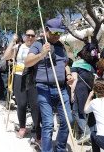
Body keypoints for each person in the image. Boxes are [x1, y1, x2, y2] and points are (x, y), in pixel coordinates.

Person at [25, 18, 73, 152]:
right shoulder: (38, 44)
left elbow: (65, 64)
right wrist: (42, 54)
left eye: (59, 33)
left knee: (68, 120)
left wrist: (68, 75)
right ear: (46, 30)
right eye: (53, 33)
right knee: (48, 124)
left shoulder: (61, 46)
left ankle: (60, 148)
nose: (56, 36)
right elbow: (27, 62)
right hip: (43, 88)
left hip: (61, 88)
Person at [4, 30, 41, 142]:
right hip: (19, 76)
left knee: (35, 105)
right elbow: (6, 57)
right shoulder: (18, 47)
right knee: (21, 104)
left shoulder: (38, 47)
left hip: (33, 77)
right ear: (24, 36)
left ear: (35, 37)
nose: (30, 37)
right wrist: (12, 41)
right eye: (28, 35)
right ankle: (22, 127)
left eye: (32, 35)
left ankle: (39, 133)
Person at [70, 50, 95, 145]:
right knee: (89, 112)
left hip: (79, 90)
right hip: (89, 91)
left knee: (76, 112)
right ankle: (93, 134)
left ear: (79, 57)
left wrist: (72, 93)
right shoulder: (89, 66)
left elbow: (75, 80)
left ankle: (86, 132)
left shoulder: (76, 64)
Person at [84, 79, 104, 152]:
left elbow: (85, 110)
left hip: (102, 140)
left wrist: (90, 96)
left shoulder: (93, 102)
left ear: (95, 91)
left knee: (93, 134)